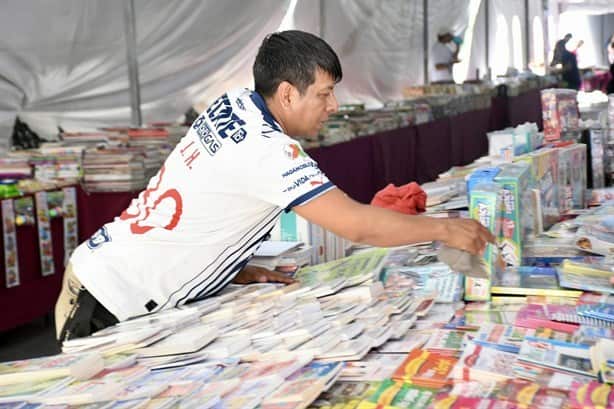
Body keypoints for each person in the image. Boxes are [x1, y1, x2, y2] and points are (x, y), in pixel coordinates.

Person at [55, 30, 494, 342]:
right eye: (323, 94)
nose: (333, 106)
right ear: (287, 94)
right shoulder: (266, 149)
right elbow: (356, 224)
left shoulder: (233, 103)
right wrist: (444, 228)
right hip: (107, 299)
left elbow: (201, 196)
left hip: (109, 269)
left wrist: (228, 269)